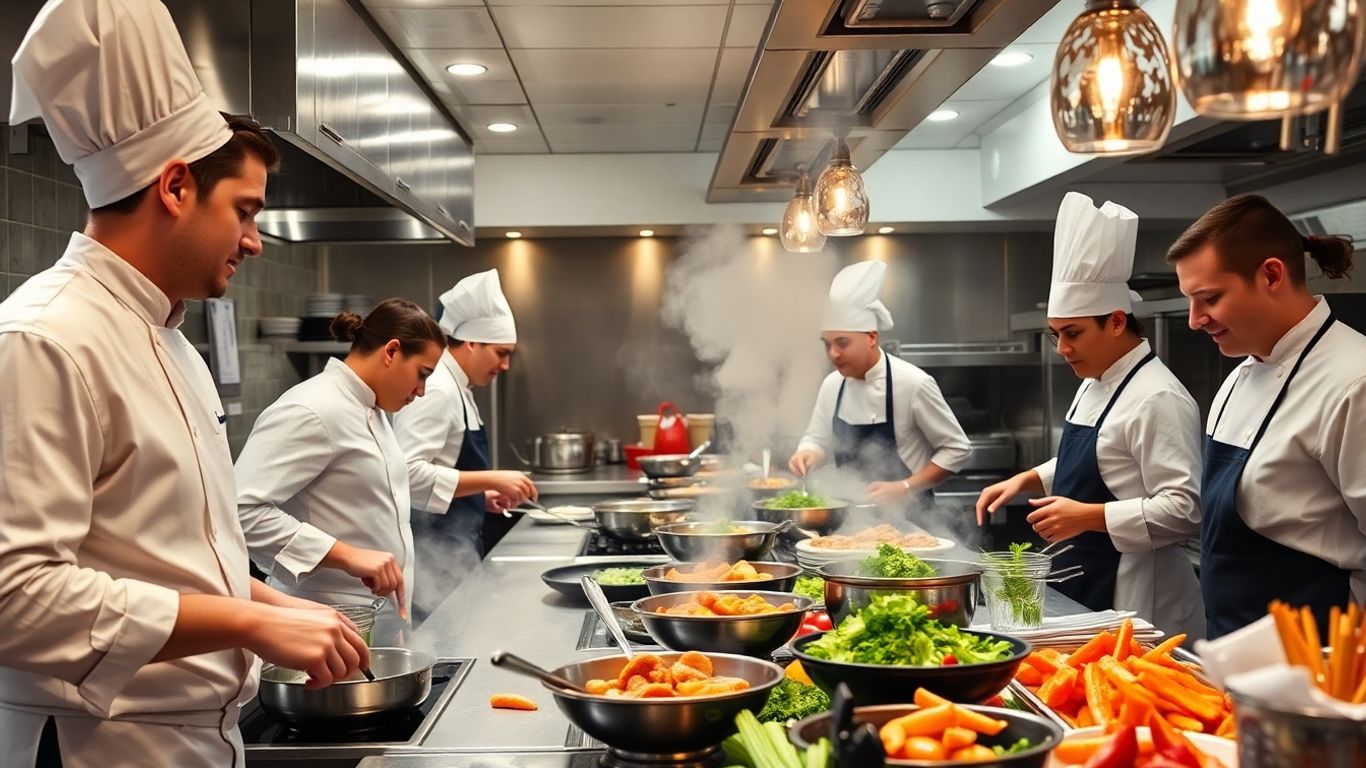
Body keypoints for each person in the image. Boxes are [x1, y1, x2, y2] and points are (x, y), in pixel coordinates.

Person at [0, 2, 367, 766]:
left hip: (198, 739)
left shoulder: (172, 343)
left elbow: (170, 558)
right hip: (96, 745)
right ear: (173, 188)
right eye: (244, 211)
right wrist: (249, 625)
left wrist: (276, 605)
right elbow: (16, 598)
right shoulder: (44, 338)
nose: (255, 241)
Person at [976, 193, 1205, 638]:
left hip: (1140, 601)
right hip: (1088, 584)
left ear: (1117, 321)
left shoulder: (1158, 396)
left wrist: (1088, 517)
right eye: (1055, 335)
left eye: (1073, 333)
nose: (1063, 349)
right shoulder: (1095, 381)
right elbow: (1104, 458)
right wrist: (1027, 479)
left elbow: (1185, 510)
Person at [1168, 193, 1366, 639]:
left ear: (1271, 275)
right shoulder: (1238, 378)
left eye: (1209, 299)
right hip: (1235, 656)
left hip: (1322, 671)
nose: (1194, 320)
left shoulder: (1355, 382)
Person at [235, 300, 449, 625]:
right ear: (391, 351)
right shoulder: (311, 409)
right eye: (422, 374)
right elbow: (239, 512)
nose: (421, 391)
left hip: (374, 618)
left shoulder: (372, 408)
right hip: (319, 619)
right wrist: (346, 556)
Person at [392, 270, 536, 619]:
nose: (504, 365)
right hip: (432, 558)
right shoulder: (438, 389)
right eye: (501, 353)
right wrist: (491, 479)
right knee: (446, 657)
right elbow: (405, 474)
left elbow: (443, 468)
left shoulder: (459, 388)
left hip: (454, 553)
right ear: (471, 343)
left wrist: (477, 496)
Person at [789, 261, 971, 506]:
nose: (833, 354)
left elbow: (957, 449)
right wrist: (808, 453)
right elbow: (818, 438)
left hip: (912, 516)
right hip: (852, 517)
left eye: (842, 343)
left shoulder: (912, 383)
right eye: (826, 344)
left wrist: (905, 487)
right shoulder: (832, 385)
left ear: (872, 337)